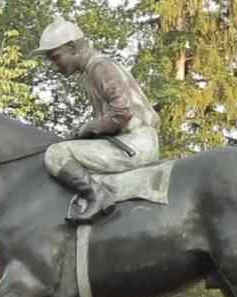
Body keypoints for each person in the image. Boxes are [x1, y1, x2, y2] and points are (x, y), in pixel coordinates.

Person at [33, 19, 161, 223]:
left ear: (72, 47)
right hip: (133, 141)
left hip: (135, 144)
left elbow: (122, 111)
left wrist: (89, 127)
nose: (55, 66)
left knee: (57, 154)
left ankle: (98, 197)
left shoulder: (100, 67)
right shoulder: (92, 70)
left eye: (56, 57)